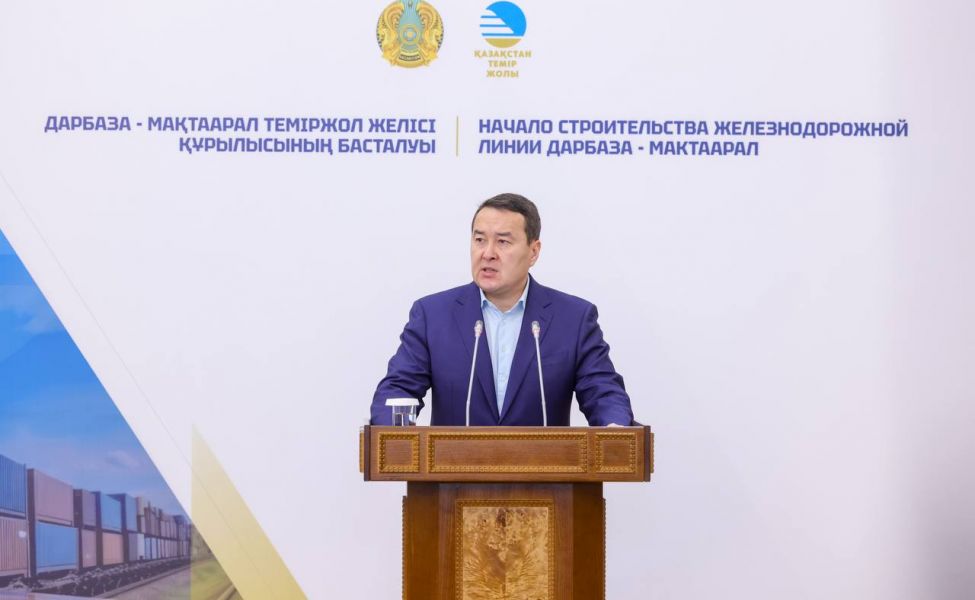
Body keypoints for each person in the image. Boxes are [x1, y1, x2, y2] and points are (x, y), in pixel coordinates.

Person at [370, 193, 634, 426]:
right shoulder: (433, 315)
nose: (488, 253)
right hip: (453, 469)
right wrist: (392, 433)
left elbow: (603, 392)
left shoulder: (573, 319)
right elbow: (398, 389)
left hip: (544, 468)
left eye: (503, 242)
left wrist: (615, 430)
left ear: (533, 252)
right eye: (479, 240)